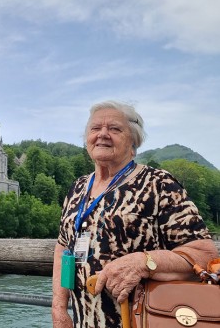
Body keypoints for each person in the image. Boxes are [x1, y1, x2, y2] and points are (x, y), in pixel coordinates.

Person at [51, 100, 219, 328]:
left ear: (133, 141)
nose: (103, 134)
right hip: (83, 321)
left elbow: (204, 255)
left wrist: (143, 262)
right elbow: (63, 248)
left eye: (114, 128)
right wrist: (59, 308)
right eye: (95, 128)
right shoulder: (78, 187)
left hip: (146, 318)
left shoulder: (158, 183)